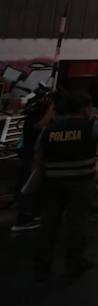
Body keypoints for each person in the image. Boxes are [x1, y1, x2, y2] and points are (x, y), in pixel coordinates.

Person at [32, 91, 98, 281]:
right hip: (80, 182)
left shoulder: (50, 130)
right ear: (86, 108)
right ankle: (74, 263)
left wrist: (35, 183)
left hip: (52, 183)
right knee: (76, 223)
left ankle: (42, 265)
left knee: (49, 224)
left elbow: (37, 158)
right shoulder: (90, 126)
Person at [11, 87, 55, 232]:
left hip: (31, 157)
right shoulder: (33, 119)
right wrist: (50, 113)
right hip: (28, 157)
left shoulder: (34, 116)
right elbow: (39, 126)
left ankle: (32, 213)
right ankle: (22, 219)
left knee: (33, 188)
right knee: (27, 188)